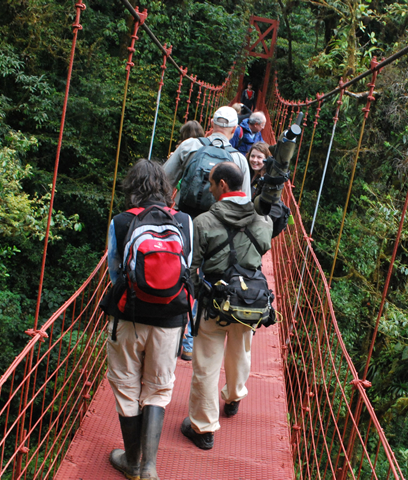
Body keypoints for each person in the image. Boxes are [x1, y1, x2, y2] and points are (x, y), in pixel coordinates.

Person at [104, 159, 193, 480]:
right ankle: (149, 467)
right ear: (165, 187)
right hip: (170, 318)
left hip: (128, 315)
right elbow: (188, 269)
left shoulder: (121, 221)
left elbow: (116, 272)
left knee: (127, 386)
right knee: (157, 389)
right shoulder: (184, 220)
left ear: (132, 188)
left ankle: (131, 461)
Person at [181, 162, 272, 450]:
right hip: (249, 302)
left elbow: (191, 269)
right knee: (241, 351)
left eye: (210, 182)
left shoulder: (204, 222)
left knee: (206, 365)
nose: (208, 188)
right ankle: (233, 397)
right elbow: (264, 249)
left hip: (214, 303)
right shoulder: (262, 221)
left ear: (222, 185)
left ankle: (204, 429)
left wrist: (199, 296)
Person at [163, 106, 251, 217]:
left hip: (183, 219)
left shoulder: (189, 146)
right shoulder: (239, 160)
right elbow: (244, 202)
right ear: (235, 129)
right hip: (217, 224)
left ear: (211, 123)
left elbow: (164, 181)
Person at [175, 120, 205, 363]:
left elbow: (166, 179)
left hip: (182, 221)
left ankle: (173, 336)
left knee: (177, 274)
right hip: (208, 228)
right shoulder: (224, 156)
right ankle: (189, 343)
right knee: (197, 282)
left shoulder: (184, 151)